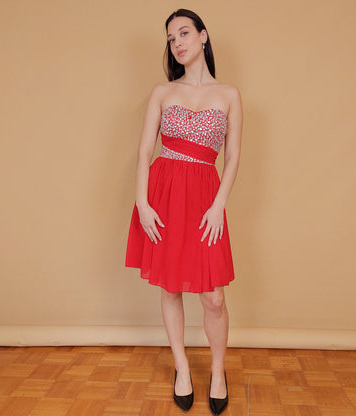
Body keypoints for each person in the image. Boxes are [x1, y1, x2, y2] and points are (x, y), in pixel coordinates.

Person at [125, 8, 242, 415]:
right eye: (171, 38)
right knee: (170, 286)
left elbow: (233, 157)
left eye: (185, 33)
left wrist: (219, 204)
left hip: (207, 199)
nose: (177, 42)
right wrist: (142, 203)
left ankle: (218, 371)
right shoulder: (162, 92)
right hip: (164, 196)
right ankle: (182, 368)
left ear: (203, 36)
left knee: (214, 297)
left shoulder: (229, 95)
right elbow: (144, 151)